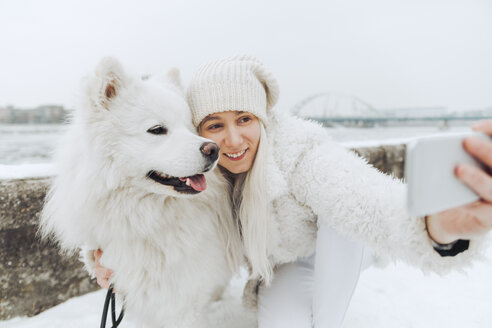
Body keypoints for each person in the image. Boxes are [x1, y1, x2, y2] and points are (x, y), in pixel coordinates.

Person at [94, 55, 492, 327]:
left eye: (244, 119)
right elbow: (121, 212)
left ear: (263, 118)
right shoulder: (203, 171)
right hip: (289, 257)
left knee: (341, 230)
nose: (231, 141)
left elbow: (366, 201)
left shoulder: (301, 155)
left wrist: (436, 228)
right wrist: (99, 254)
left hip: (343, 235)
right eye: (214, 124)